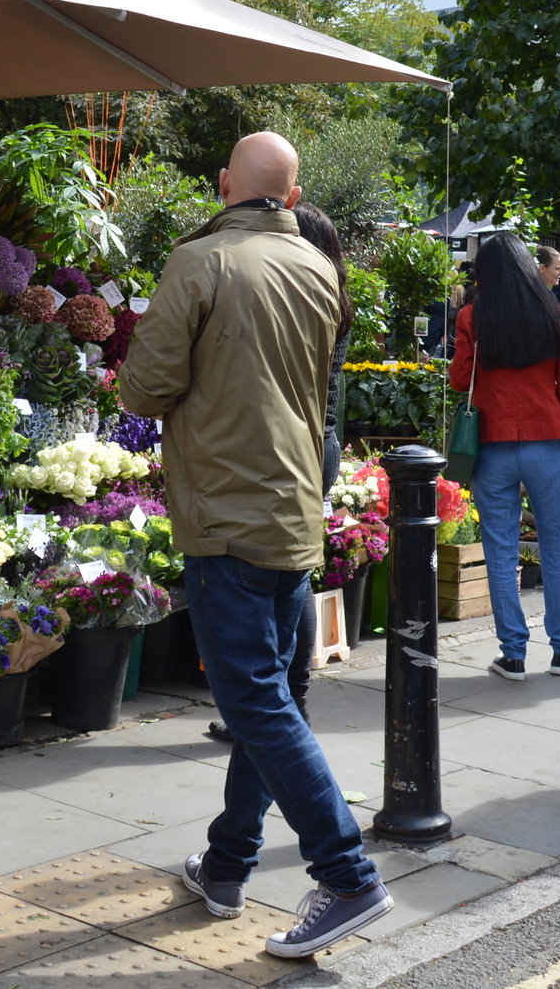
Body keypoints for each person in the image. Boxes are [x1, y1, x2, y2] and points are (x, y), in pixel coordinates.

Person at [119, 132, 392, 956]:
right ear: (295, 194)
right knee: (278, 699)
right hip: (291, 508)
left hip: (226, 507)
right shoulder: (318, 267)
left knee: (255, 704)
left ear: (225, 183)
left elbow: (145, 385)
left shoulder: (201, 261)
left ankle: (346, 876)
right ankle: (229, 863)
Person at [205, 203, 348, 747]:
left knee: (272, 576)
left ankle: (272, 707)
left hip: (294, 443)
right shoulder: (331, 296)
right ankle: (289, 703)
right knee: (295, 572)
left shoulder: (301, 297)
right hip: (322, 444)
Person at [450, 234, 560, 681]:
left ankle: (512, 653)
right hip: (547, 439)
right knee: (554, 545)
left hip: (491, 444)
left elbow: (458, 381)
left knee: (500, 550)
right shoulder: (554, 314)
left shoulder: (472, 316)